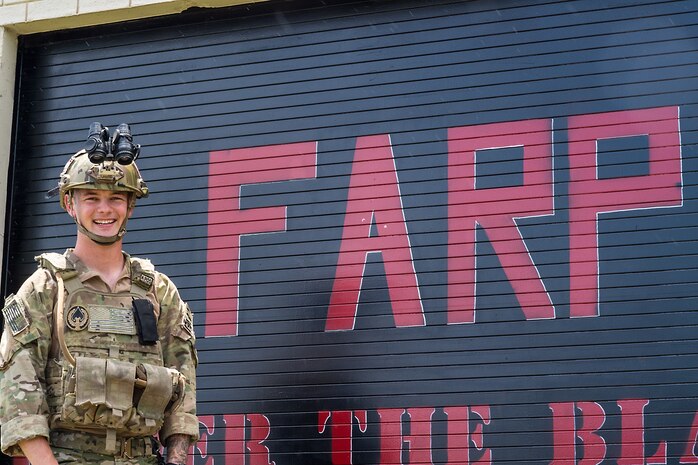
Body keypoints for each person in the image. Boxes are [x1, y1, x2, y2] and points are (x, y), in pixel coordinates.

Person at [0, 123, 199, 465]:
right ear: (69, 204)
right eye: (91, 198)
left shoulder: (158, 291)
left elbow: (184, 394)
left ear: (130, 206)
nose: (104, 210)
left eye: (116, 198)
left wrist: (177, 459)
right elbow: (19, 397)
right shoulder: (47, 288)